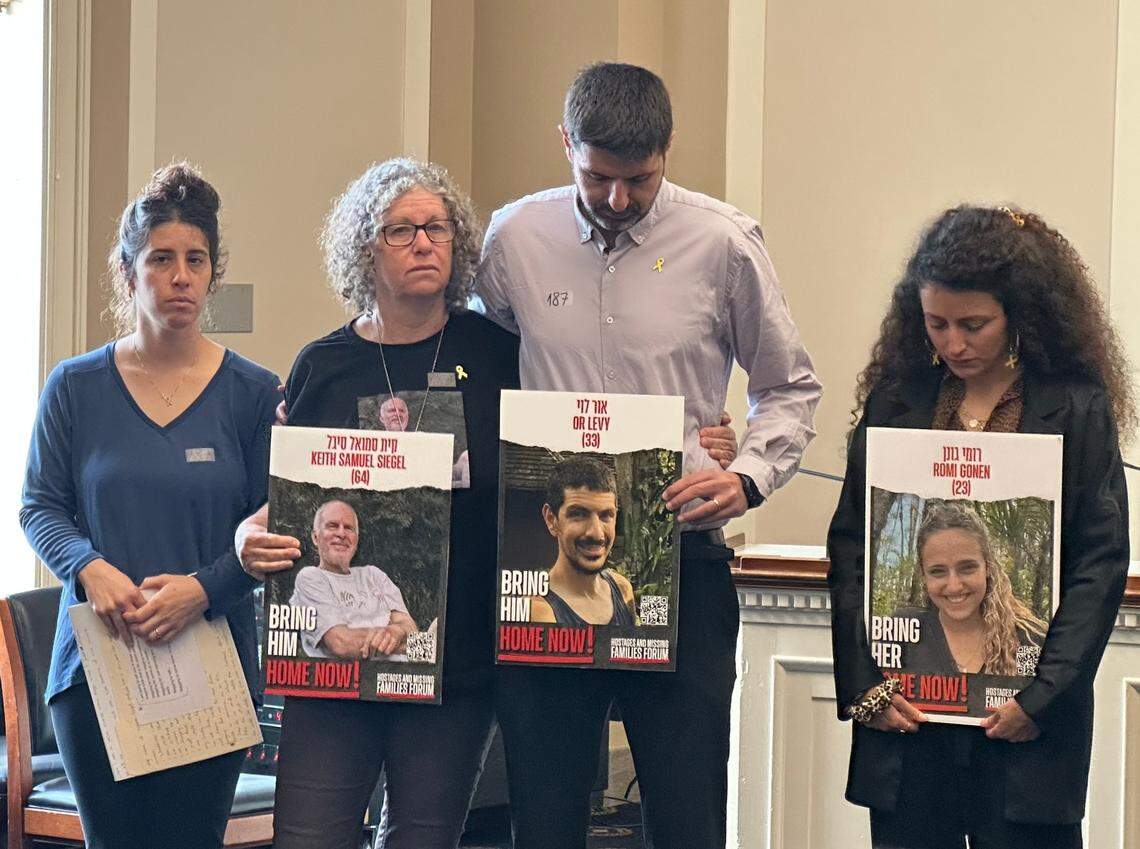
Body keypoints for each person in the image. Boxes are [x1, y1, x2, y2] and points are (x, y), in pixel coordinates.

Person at [235, 157, 738, 849]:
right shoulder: (322, 365)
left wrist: (704, 440)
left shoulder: (504, 353)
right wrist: (247, 535)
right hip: (331, 677)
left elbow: (586, 427)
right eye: (401, 229)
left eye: (437, 227)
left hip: (461, 660)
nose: (423, 242)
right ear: (363, 247)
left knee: (422, 837)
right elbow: (287, 499)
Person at [474, 62, 821, 849]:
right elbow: (478, 367)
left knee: (686, 808)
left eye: (640, 178)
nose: (618, 199)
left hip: (682, 555)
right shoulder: (515, 238)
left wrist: (746, 476)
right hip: (541, 558)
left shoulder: (723, 242)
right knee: (544, 810)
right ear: (566, 142)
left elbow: (791, 386)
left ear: (669, 150)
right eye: (597, 177)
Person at [828, 204, 1133, 849]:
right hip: (909, 728)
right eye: (935, 323)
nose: (954, 343)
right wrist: (865, 689)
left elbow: (1098, 564)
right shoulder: (896, 402)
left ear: (1019, 315)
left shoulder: (1075, 409)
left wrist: (1042, 699)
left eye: (974, 324)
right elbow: (852, 549)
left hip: (1025, 730)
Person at [19, 163, 281, 849]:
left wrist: (202, 589)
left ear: (212, 274)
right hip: (96, 671)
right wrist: (88, 567)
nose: (181, 276)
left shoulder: (254, 394)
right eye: (161, 260)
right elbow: (39, 506)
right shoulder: (74, 387)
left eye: (196, 260)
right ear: (127, 274)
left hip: (213, 664)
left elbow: (275, 524)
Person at [896, 502, 1047, 676]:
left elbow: (1039, 699)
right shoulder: (903, 632)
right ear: (923, 575)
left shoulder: (1029, 641)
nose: (954, 586)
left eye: (967, 568)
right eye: (938, 572)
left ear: (988, 566)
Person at [291, 500, 417, 660]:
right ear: (316, 537)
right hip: (352, 682)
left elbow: (409, 626)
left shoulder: (374, 575)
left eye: (349, 528)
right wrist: (405, 644)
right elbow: (341, 644)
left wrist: (397, 631)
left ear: (356, 539)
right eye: (332, 526)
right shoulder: (310, 578)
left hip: (401, 679)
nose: (341, 534)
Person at [529, 457, 636, 627]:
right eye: (579, 514)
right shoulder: (538, 610)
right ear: (551, 519)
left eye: (606, 515)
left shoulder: (623, 590)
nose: (596, 533)